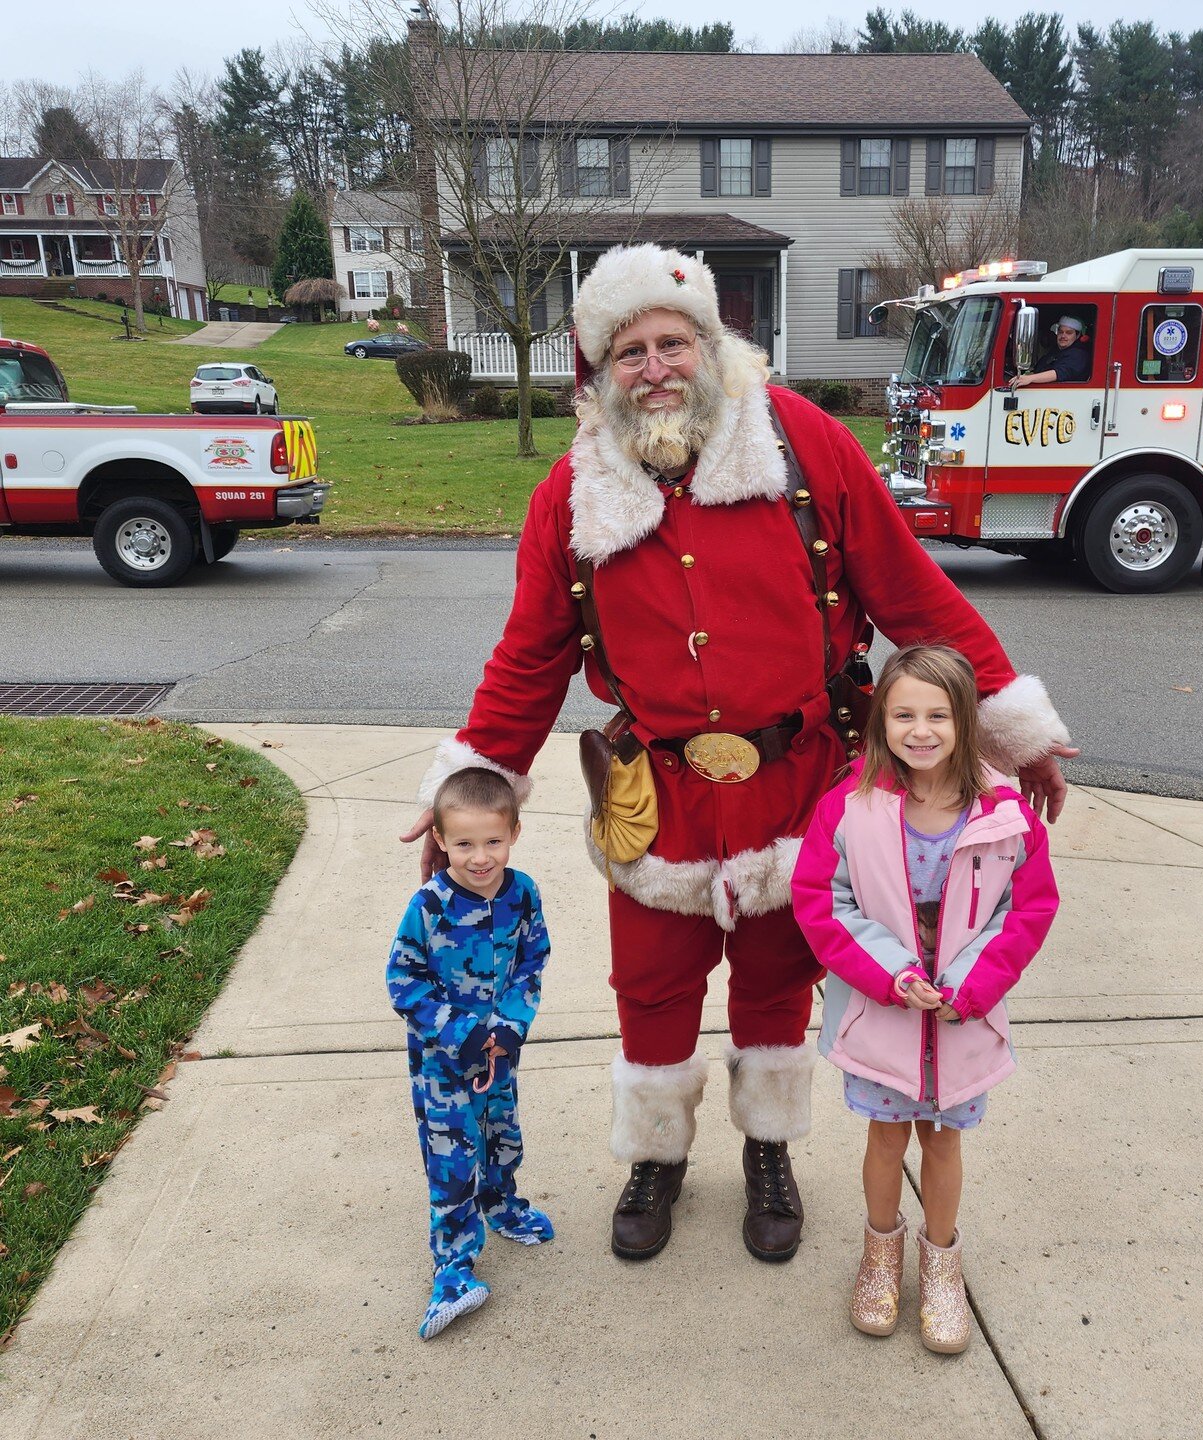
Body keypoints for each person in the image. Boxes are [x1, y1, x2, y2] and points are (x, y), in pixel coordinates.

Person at [402, 242, 1075, 1267]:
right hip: (653, 796)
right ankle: (658, 1155)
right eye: (630, 352)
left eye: (675, 342)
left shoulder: (803, 446)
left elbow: (910, 595)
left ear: (713, 346)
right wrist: (465, 789)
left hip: (799, 784)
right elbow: (529, 655)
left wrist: (1012, 728)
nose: (657, 366)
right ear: (597, 371)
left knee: (775, 978)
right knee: (653, 984)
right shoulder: (569, 495)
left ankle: (768, 1150)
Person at [792, 645, 1058, 1352]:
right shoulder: (849, 809)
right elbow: (823, 900)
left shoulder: (1004, 814)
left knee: (943, 1141)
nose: (921, 730)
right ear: (881, 718)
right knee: (885, 1140)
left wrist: (972, 985)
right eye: (904, 713)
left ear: (965, 719)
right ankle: (881, 1254)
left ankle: (942, 1262)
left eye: (938, 714)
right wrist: (887, 974)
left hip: (964, 1016)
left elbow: (1027, 911)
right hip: (884, 1012)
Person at [388, 767, 553, 1340]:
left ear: (514, 833)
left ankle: (503, 1203)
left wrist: (509, 1029)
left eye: (492, 841)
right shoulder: (430, 905)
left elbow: (532, 964)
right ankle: (453, 1270)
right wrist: (461, 1034)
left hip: (500, 1056)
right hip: (443, 1061)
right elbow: (403, 980)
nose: (480, 857)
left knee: (502, 1132)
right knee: (453, 1159)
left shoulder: (523, 893)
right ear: (439, 839)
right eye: (463, 843)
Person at [1010, 313, 1090, 388]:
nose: (1063, 336)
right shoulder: (1055, 351)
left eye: (1069, 333)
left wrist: (1030, 378)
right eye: (1060, 332)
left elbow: (1059, 373)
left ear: (1078, 335)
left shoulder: (1079, 354)